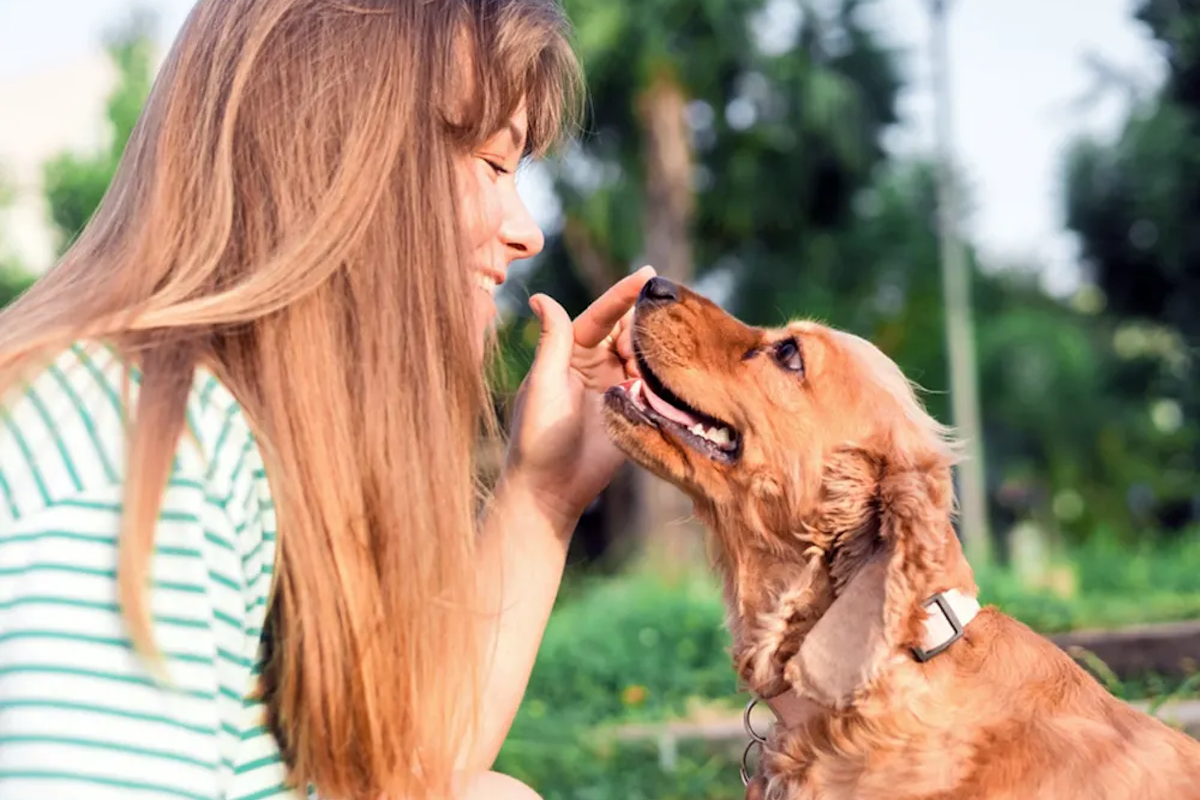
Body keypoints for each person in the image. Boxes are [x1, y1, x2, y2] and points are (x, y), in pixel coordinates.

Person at [0, 1, 654, 798]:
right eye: (491, 162)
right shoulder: (140, 453)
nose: (527, 231)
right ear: (341, 152)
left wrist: (542, 494)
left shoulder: (233, 443)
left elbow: (400, 772)